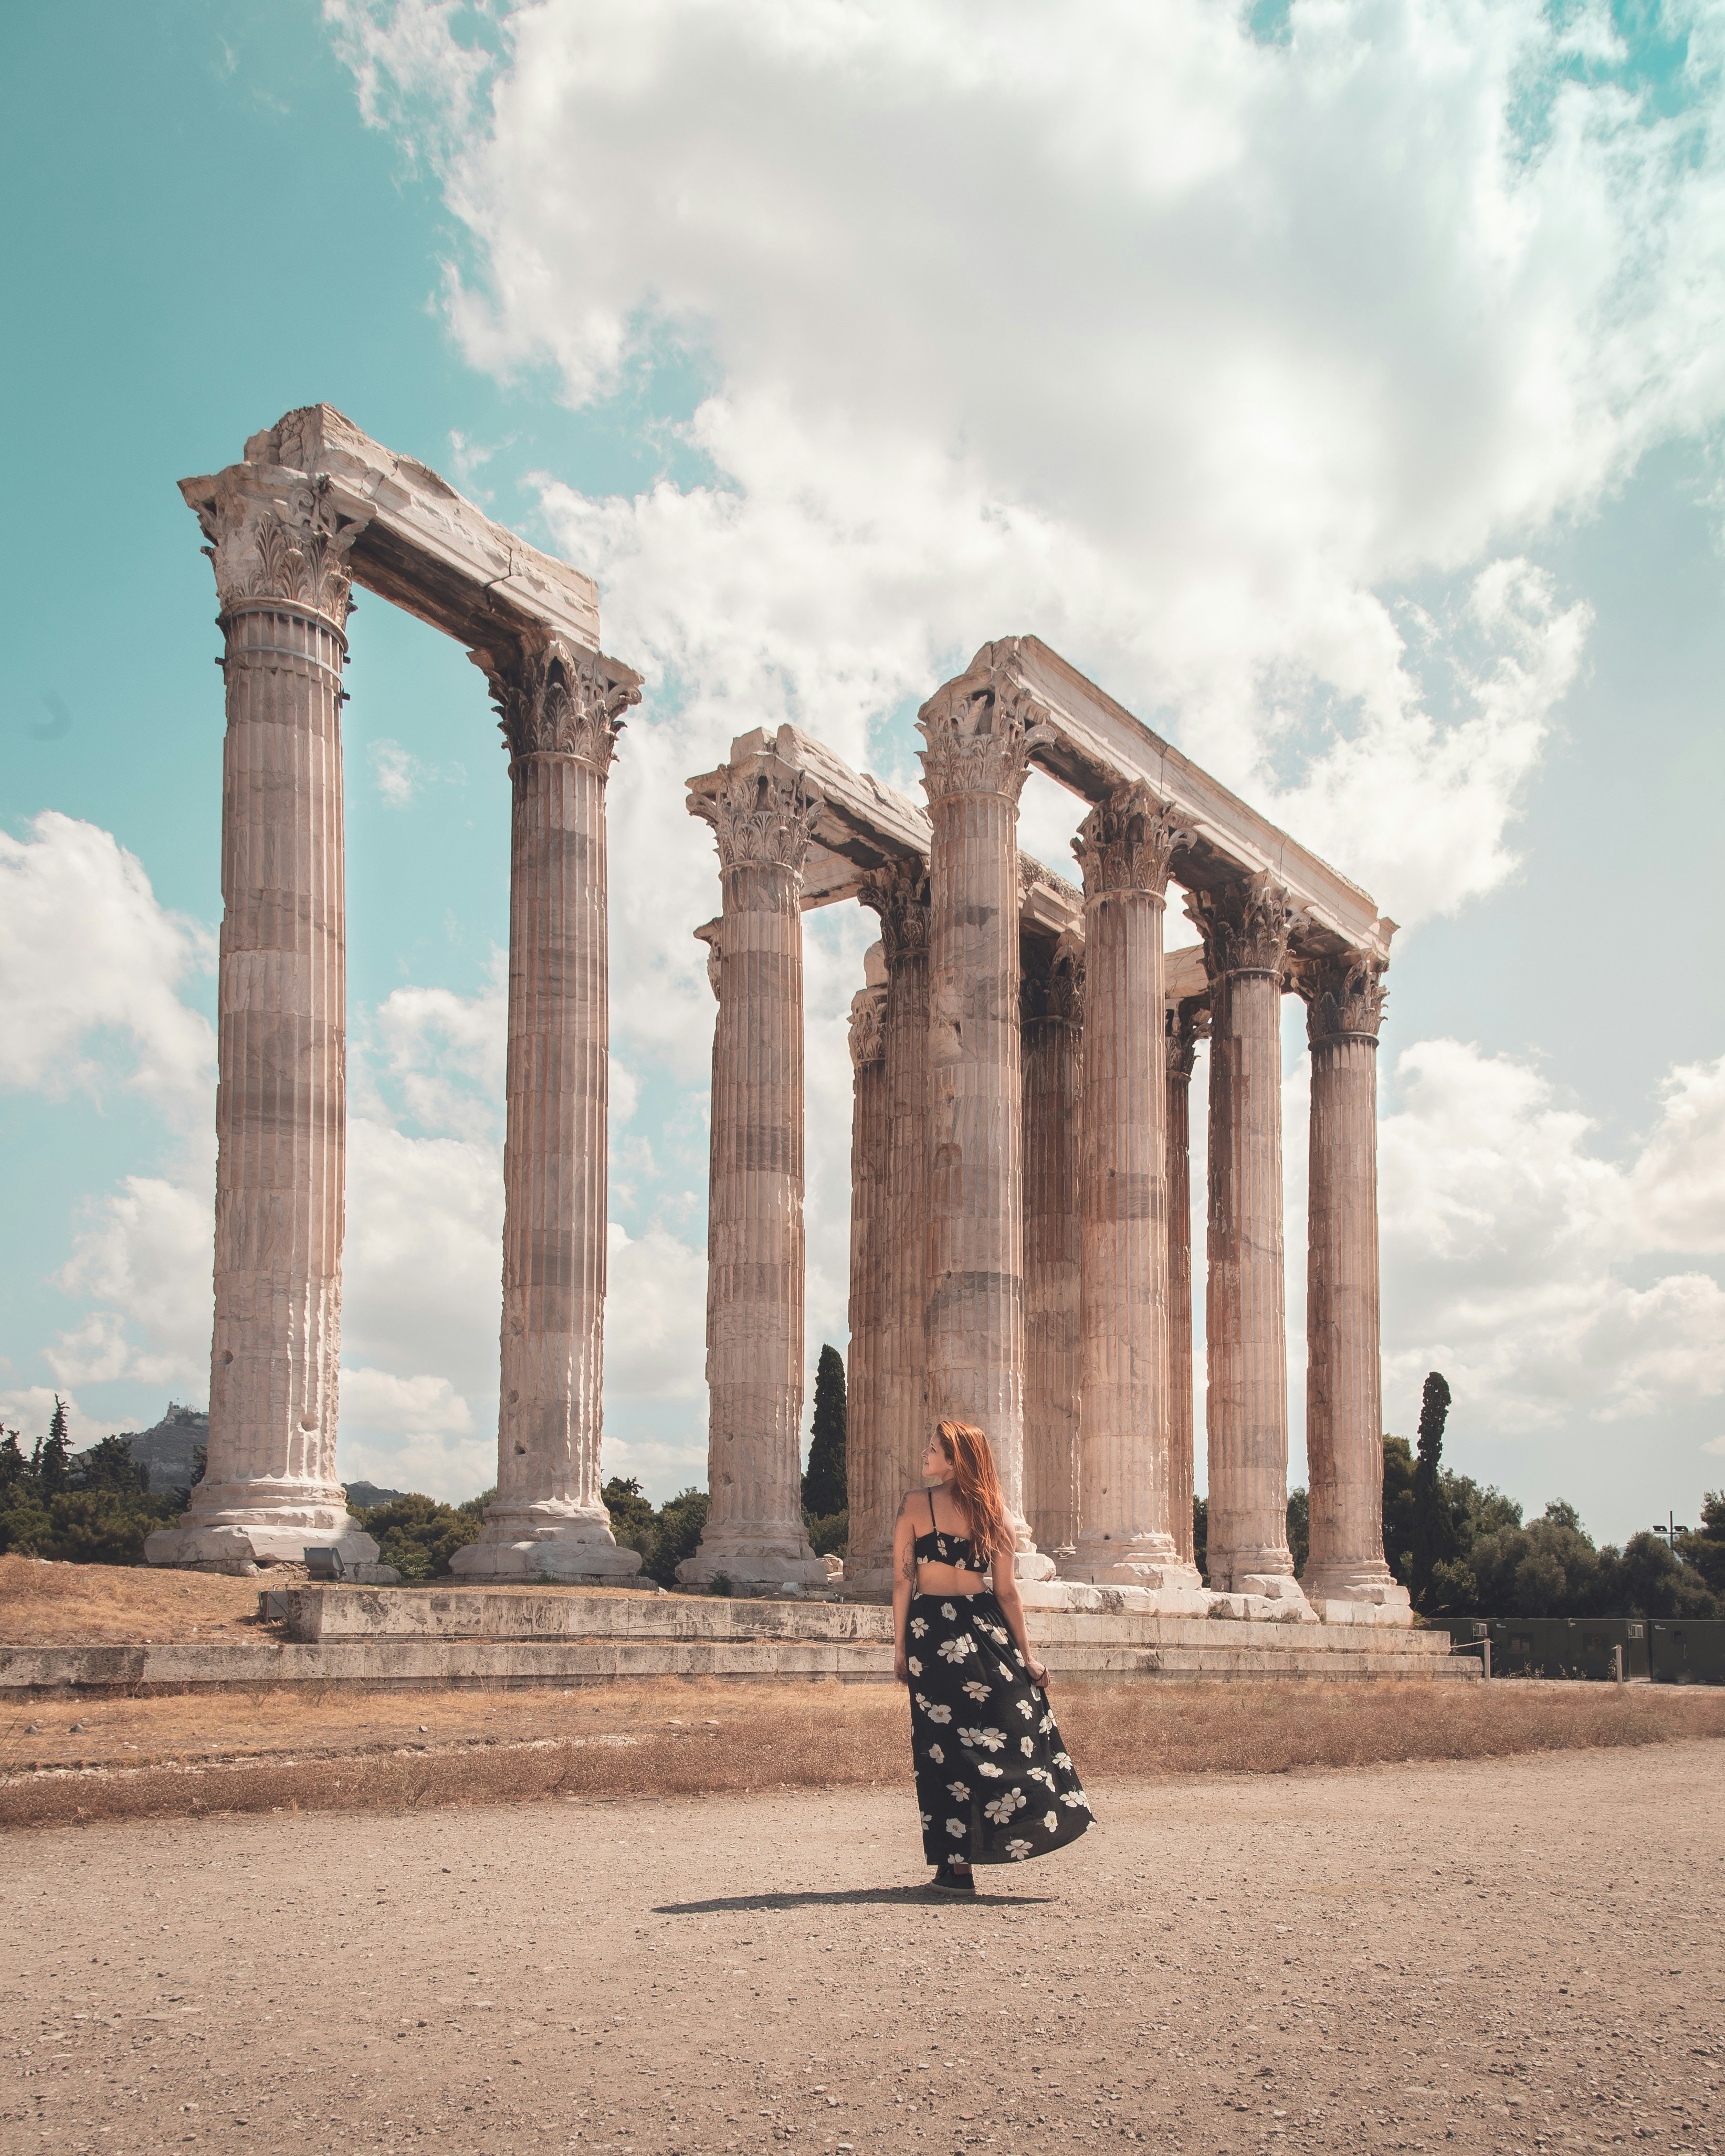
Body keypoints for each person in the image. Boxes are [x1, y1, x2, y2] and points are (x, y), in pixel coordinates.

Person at [892, 1419, 1091, 1893]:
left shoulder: (918, 1504)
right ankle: (1029, 1822)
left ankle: (955, 1870)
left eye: (934, 1448)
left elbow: (903, 1581)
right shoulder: (995, 1514)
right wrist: (1028, 1657)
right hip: (984, 1631)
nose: (925, 1454)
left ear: (955, 1459)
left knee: (941, 1750)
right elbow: (1006, 1593)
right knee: (1000, 1738)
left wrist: (899, 1648)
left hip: (932, 1633)